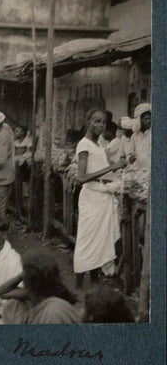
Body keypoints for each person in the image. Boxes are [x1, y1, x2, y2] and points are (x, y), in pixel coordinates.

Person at [74, 108, 127, 291]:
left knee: (98, 243)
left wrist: (117, 167)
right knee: (85, 241)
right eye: (96, 121)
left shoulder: (98, 146)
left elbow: (100, 172)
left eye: (103, 122)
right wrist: (112, 167)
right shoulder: (84, 145)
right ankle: (78, 286)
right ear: (88, 120)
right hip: (91, 198)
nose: (100, 125)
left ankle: (95, 283)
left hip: (100, 196)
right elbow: (81, 177)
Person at [0, 250, 79, 324]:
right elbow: (1, 292)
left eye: (24, 273)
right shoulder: (31, 296)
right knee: (13, 304)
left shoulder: (52, 312)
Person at [128, 102, 151, 171]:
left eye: (150, 118)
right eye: (146, 119)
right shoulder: (134, 136)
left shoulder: (154, 134)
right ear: (139, 120)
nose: (149, 121)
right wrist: (130, 157)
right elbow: (130, 153)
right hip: (138, 169)